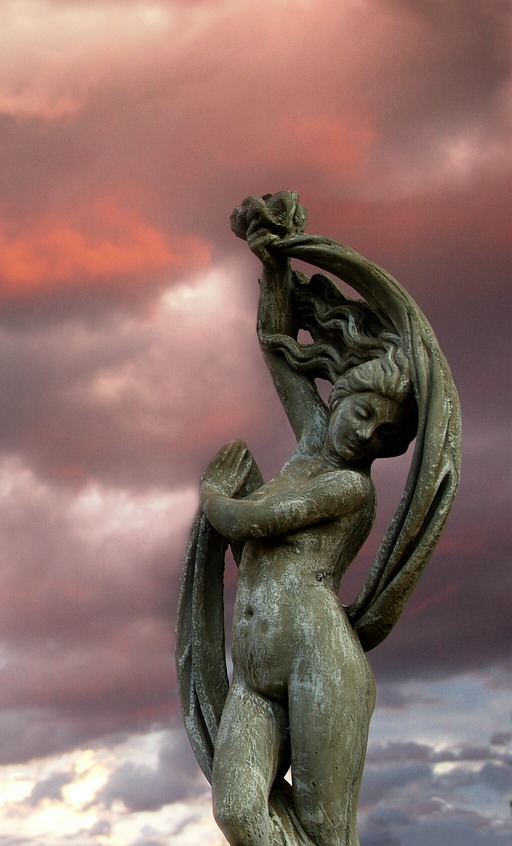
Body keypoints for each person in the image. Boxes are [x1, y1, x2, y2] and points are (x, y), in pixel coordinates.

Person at [176, 192, 461, 846]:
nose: (370, 434)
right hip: (255, 674)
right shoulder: (312, 440)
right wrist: (274, 263)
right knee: (240, 811)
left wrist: (218, 498)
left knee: (329, 833)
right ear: (339, 390)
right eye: (364, 411)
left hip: (318, 661)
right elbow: (275, 349)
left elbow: (254, 522)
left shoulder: (347, 490)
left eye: (389, 435)